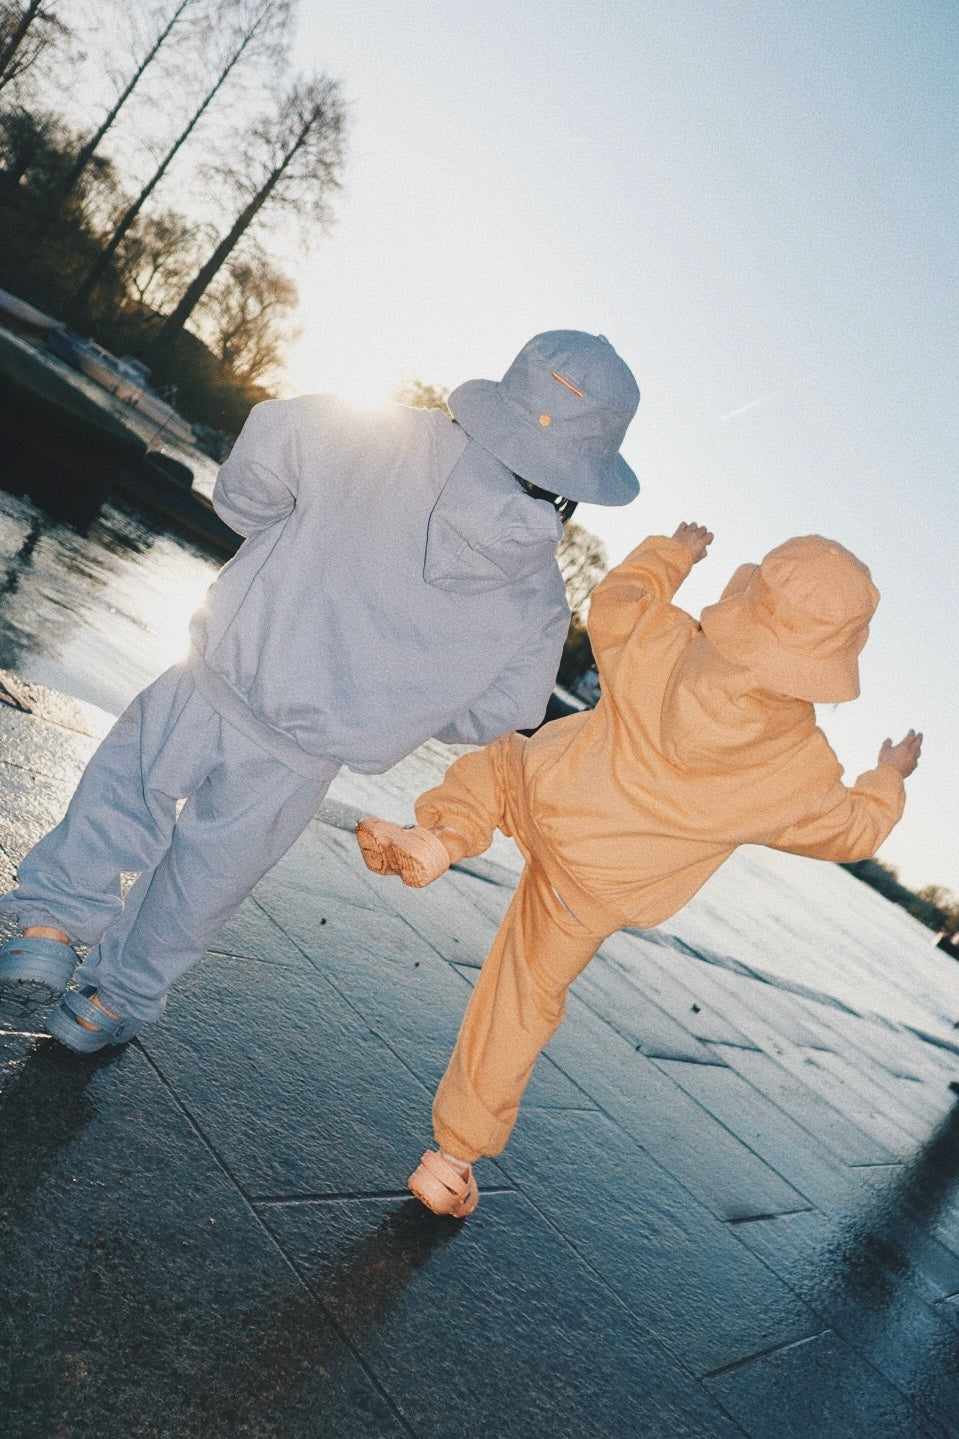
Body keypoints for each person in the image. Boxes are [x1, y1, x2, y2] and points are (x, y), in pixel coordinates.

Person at [0, 330, 642, 1050]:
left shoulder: (380, 433)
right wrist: (403, 697)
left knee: (126, 791)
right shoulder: (539, 595)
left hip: (218, 673)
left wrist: (270, 533)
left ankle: (50, 927)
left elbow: (257, 462)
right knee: (202, 884)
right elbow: (500, 711)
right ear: (582, 472)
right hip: (303, 759)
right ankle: (107, 1004)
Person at [356, 523, 922, 1217]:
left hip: (549, 794)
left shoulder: (664, 642)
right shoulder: (801, 771)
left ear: (748, 607)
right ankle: (448, 1162)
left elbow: (617, 595)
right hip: (594, 890)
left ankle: (444, 835)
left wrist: (676, 551)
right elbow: (857, 828)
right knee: (521, 1001)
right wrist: (886, 775)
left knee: (498, 764)